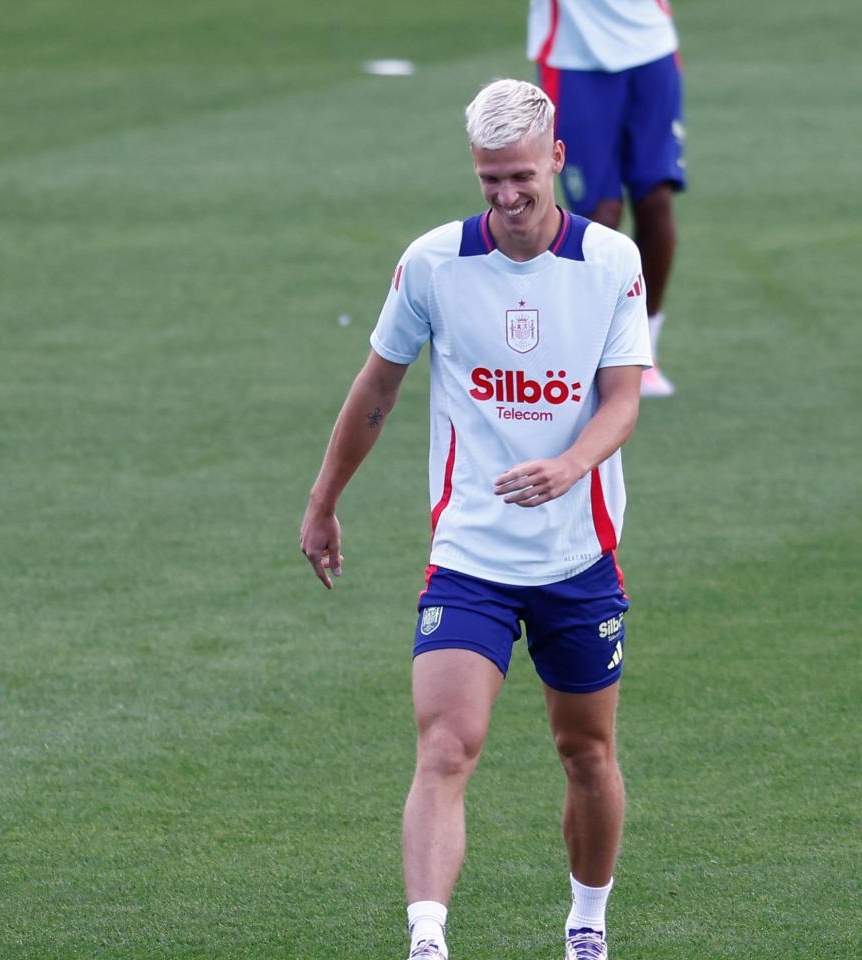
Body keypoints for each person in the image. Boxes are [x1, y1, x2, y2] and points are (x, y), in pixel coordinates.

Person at [298, 79, 650, 960]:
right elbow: (376, 387)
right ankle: (427, 941)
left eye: (522, 175)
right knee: (447, 747)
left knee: (586, 755)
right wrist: (323, 499)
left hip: (579, 558)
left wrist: (571, 466)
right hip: (470, 559)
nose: (506, 195)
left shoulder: (611, 263)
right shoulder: (431, 264)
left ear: (557, 160)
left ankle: (587, 927)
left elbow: (622, 400)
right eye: (490, 178)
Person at [529, 0, 684, 397]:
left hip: (651, 48)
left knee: (656, 199)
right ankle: (587, 354)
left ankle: (643, 352)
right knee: (600, 213)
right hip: (575, 54)